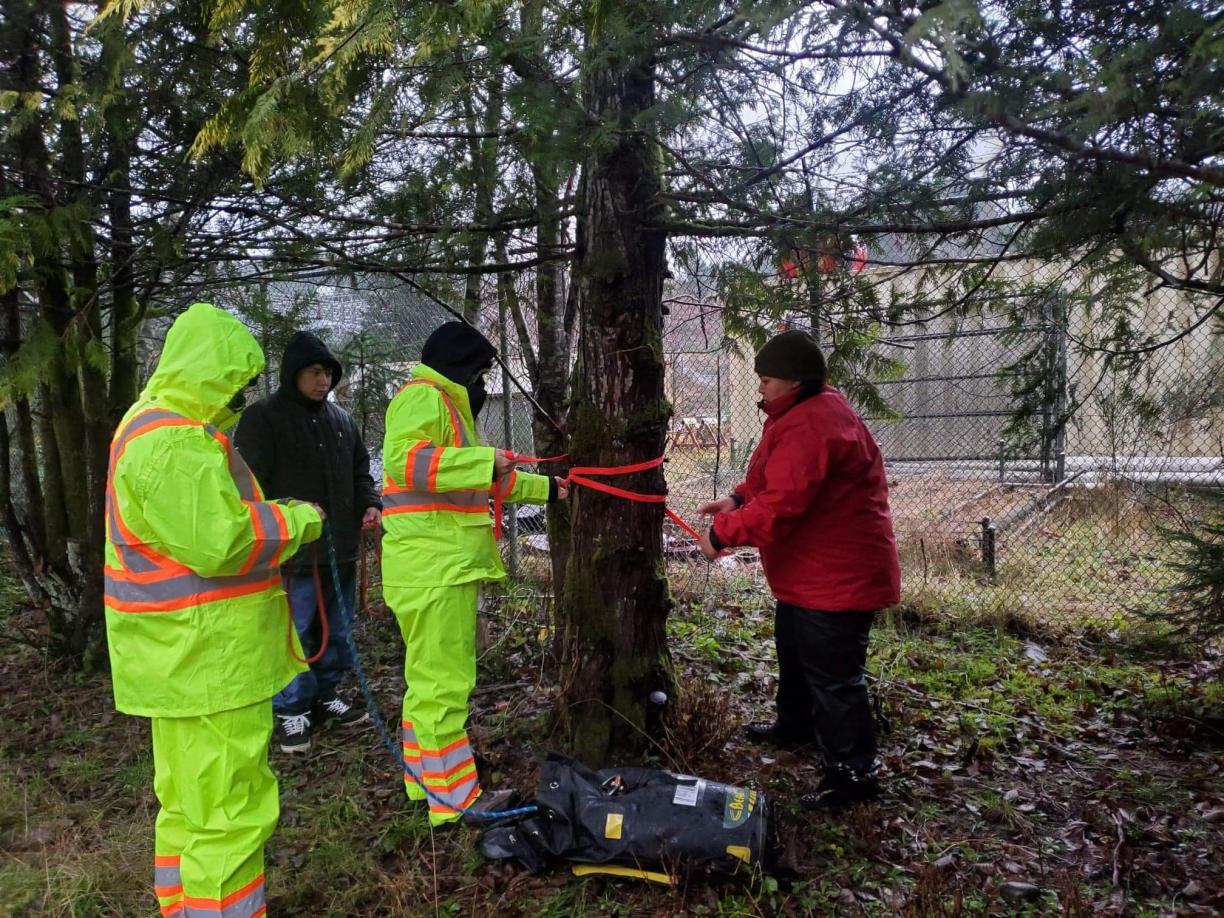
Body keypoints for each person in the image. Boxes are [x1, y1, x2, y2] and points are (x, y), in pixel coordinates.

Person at [104, 303, 324, 917]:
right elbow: (222, 542)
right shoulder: (174, 441)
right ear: (209, 370)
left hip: (179, 659)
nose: (238, 394)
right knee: (230, 814)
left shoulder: (149, 427)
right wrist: (298, 519)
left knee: (189, 809)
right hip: (211, 662)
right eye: (233, 380)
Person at [697, 328, 900, 810]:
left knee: (834, 677)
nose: (760, 388)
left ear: (794, 381)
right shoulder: (798, 414)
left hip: (837, 577)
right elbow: (772, 478)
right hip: (809, 577)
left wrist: (723, 534)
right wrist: (738, 498)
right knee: (794, 650)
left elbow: (785, 503)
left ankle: (853, 776)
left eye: (767, 380)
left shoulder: (814, 424)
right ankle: (796, 726)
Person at [381, 321, 568, 826]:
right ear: (459, 367)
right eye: (481, 372)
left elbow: (478, 481)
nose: (485, 383)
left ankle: (426, 786)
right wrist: (484, 461)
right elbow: (406, 464)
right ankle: (454, 801)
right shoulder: (425, 399)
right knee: (443, 684)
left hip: (434, 566)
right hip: (434, 568)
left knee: (428, 683)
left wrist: (549, 489)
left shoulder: (447, 409)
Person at [236, 331, 381, 753]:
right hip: (290, 555)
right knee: (294, 633)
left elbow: (360, 474)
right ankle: (290, 709)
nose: (323, 381)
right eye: (315, 372)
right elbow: (249, 488)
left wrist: (369, 504)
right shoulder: (262, 418)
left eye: (329, 373)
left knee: (338, 630)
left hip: (341, 549)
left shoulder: (342, 421)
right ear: (293, 374)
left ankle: (324, 694)